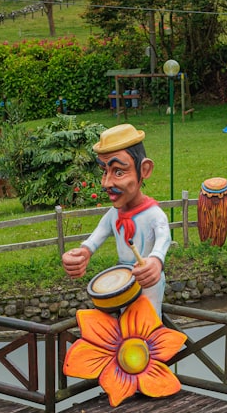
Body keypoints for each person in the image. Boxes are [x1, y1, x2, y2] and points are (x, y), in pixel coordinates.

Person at [62, 124, 172, 315]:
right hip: (122, 281)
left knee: (146, 325)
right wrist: (83, 253)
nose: (106, 183)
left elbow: (164, 238)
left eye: (119, 172)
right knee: (123, 323)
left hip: (148, 282)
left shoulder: (153, 214)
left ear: (144, 170)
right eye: (105, 172)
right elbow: (96, 238)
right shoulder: (114, 214)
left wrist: (156, 260)